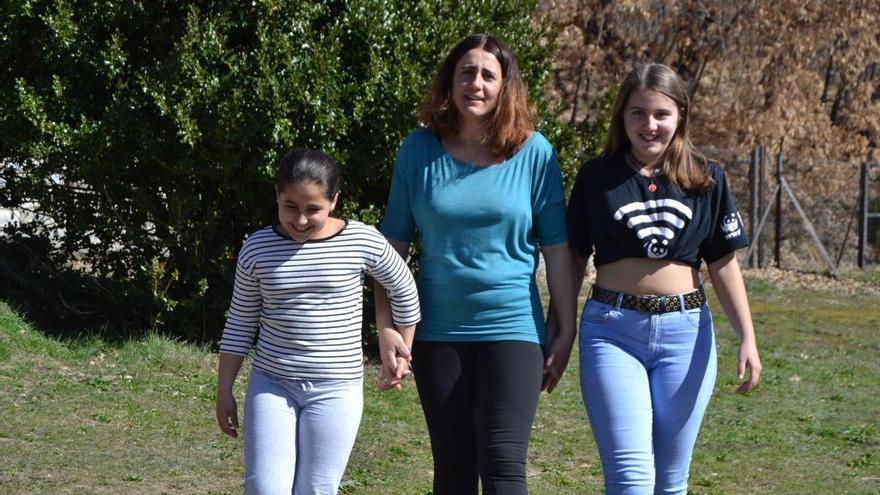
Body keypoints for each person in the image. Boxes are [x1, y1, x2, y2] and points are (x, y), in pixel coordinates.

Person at [373, 33, 577, 495]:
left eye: (489, 74)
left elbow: (557, 249)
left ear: (506, 86)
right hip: (437, 330)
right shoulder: (418, 151)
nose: (476, 84)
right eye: (467, 72)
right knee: (454, 470)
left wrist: (567, 325)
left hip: (514, 327)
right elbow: (390, 251)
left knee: (505, 466)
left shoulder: (535, 152)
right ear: (450, 80)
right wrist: (386, 325)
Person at [566, 63, 763, 494]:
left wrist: (747, 336)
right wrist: (560, 330)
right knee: (631, 481)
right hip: (612, 332)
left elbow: (723, 264)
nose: (649, 125)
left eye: (661, 114)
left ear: (680, 117)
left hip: (686, 335)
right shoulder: (596, 178)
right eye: (637, 113)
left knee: (671, 482)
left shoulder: (706, 178)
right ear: (621, 116)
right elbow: (574, 259)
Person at [215, 148, 420, 495]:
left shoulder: (362, 241)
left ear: (334, 201)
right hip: (272, 384)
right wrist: (224, 390)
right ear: (277, 196)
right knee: (265, 487)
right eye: (290, 207)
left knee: (316, 488)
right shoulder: (257, 249)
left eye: (314, 210)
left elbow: (403, 288)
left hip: (337, 389)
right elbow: (240, 321)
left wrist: (399, 344)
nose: (300, 220)